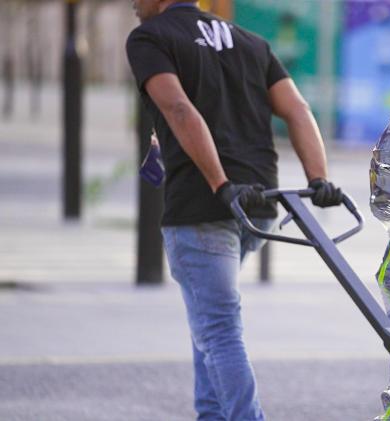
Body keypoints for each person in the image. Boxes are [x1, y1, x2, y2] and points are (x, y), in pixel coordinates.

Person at [126, 1, 343, 420]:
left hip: (204, 205)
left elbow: (178, 108)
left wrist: (219, 184)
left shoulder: (151, 38)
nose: (133, 4)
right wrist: (317, 178)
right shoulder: (250, 42)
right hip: (257, 206)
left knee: (218, 329)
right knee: (208, 321)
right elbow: (297, 108)